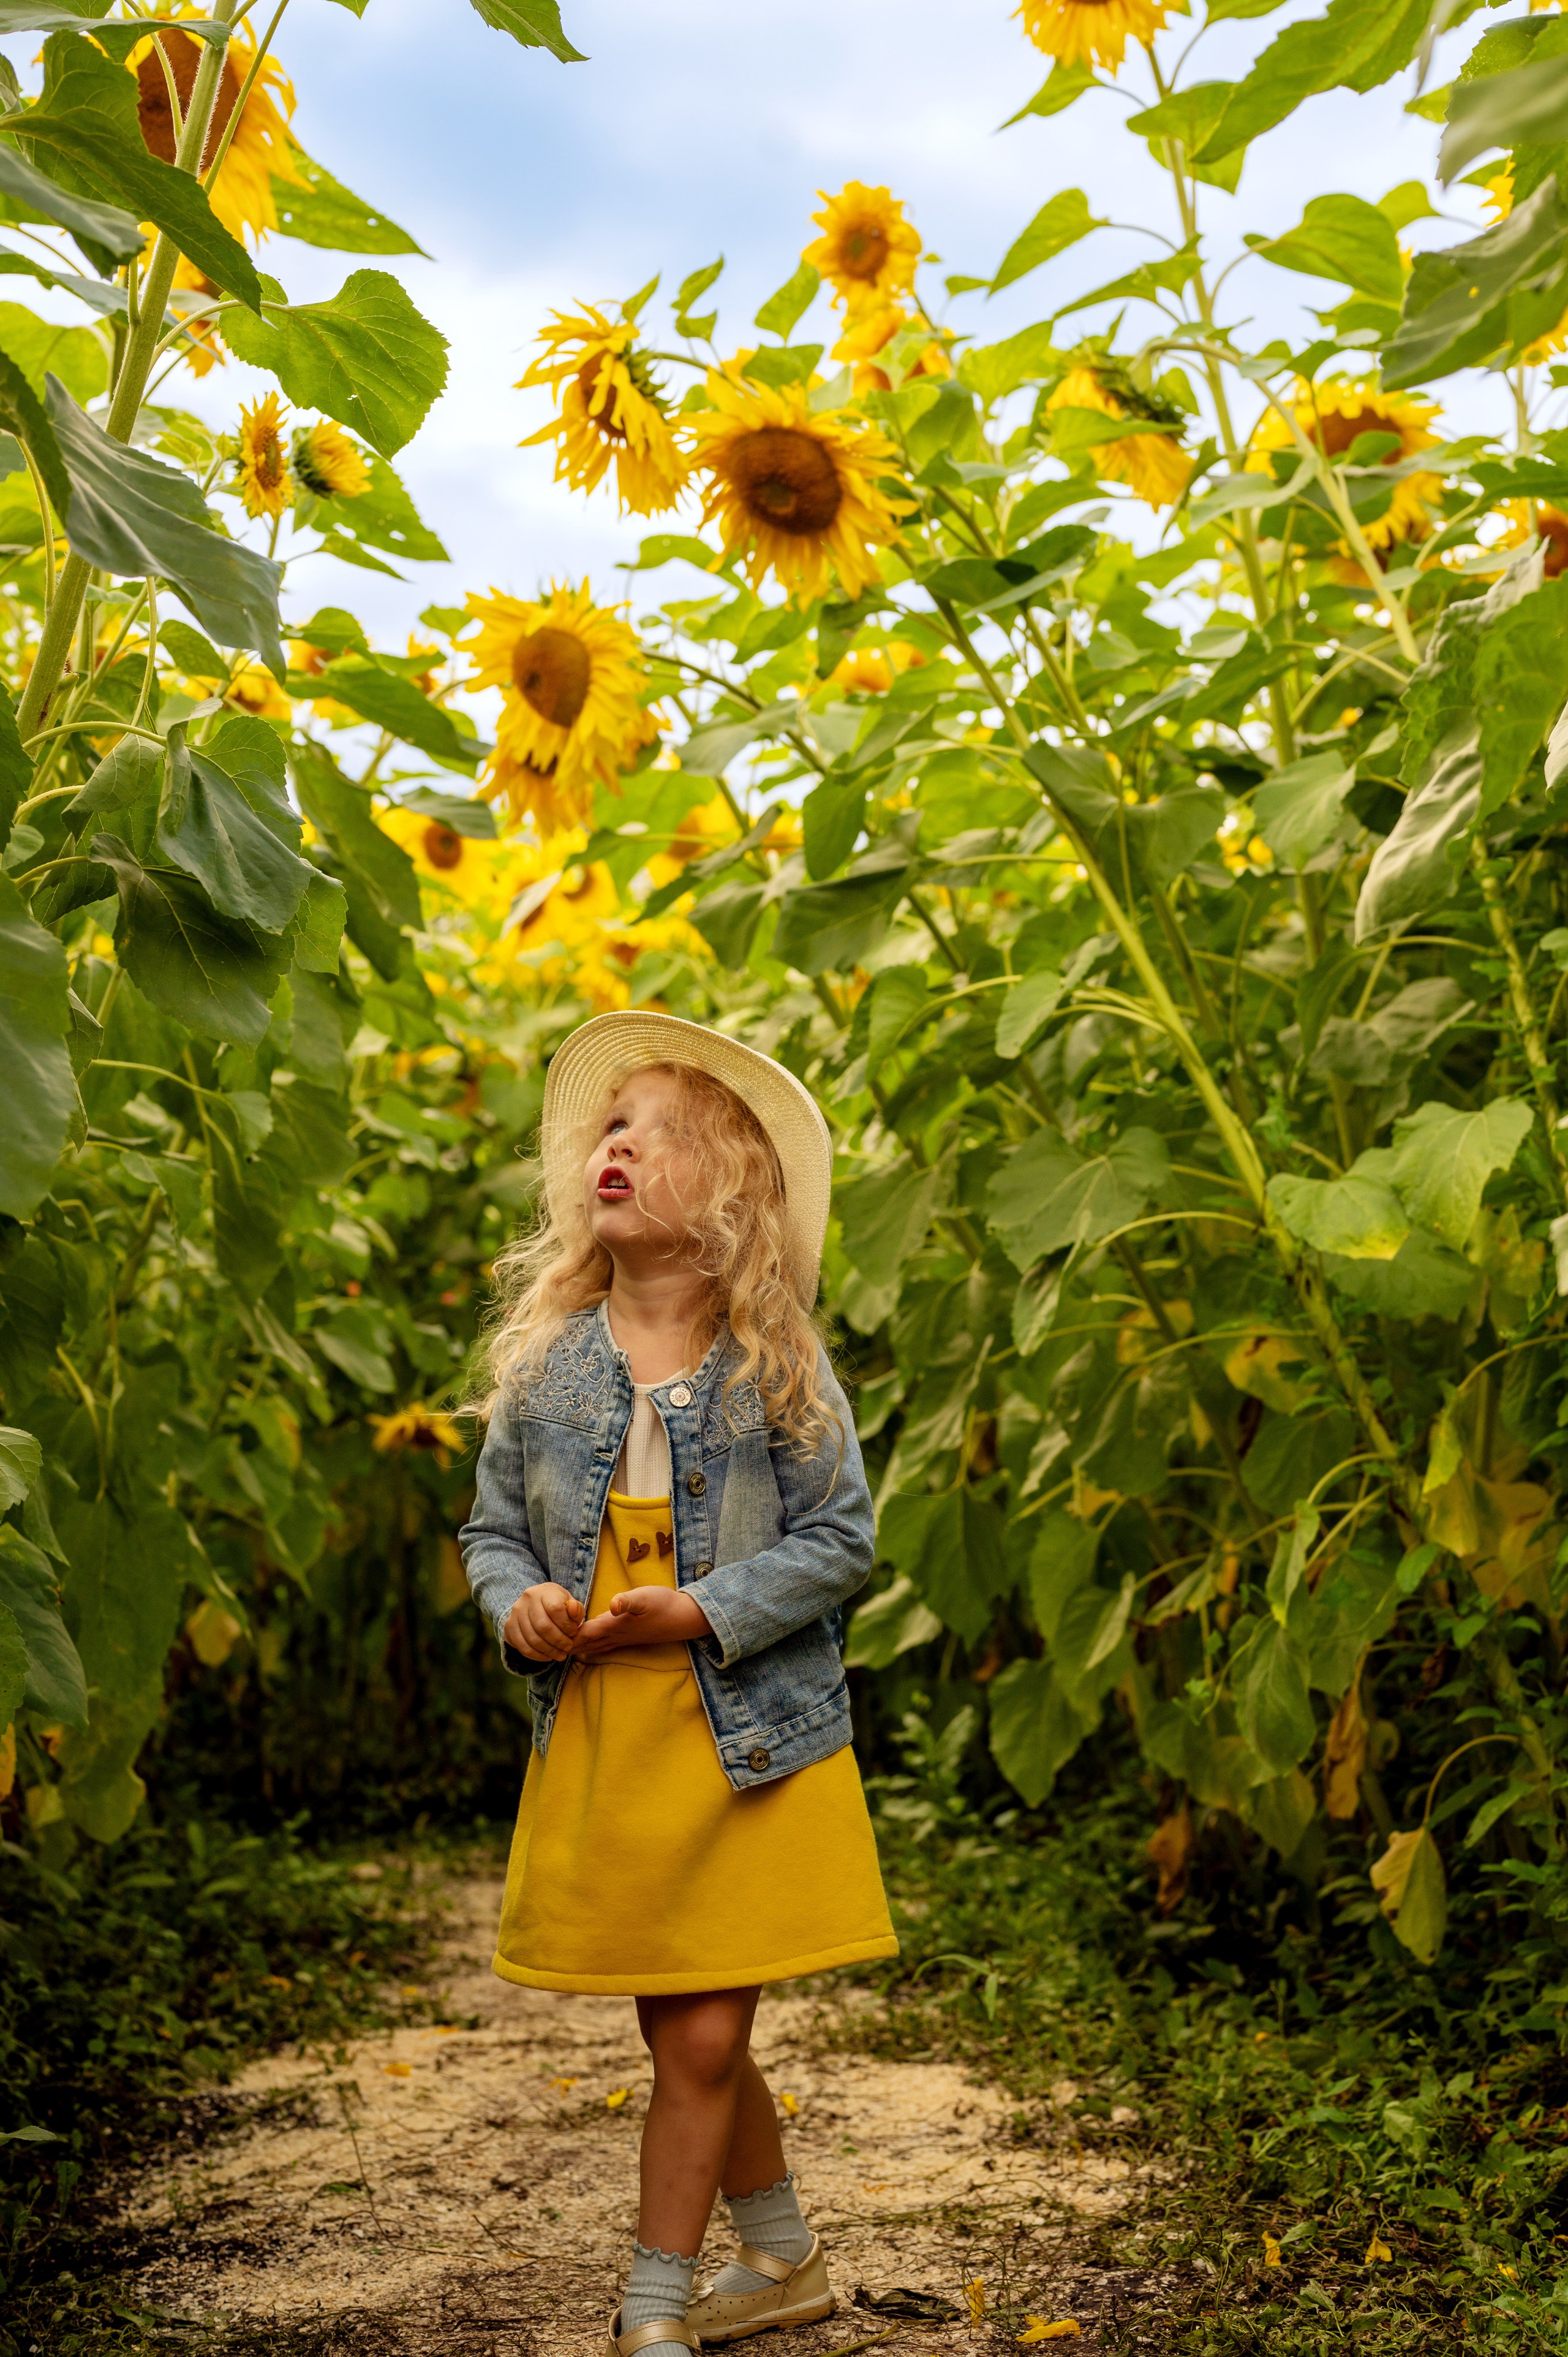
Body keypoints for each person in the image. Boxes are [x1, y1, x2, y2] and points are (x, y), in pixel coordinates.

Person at [460, 1010, 897, 2357]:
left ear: (733, 1193)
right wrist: (519, 1604)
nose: (619, 1145)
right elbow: (492, 1534)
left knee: (701, 2041)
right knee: (688, 2031)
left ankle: (652, 2308)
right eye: (609, 1127)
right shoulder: (544, 1368)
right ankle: (781, 2256)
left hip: (746, 1731)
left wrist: (703, 1605)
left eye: (659, 1132)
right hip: (613, 1729)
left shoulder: (776, 1360)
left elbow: (842, 1538)